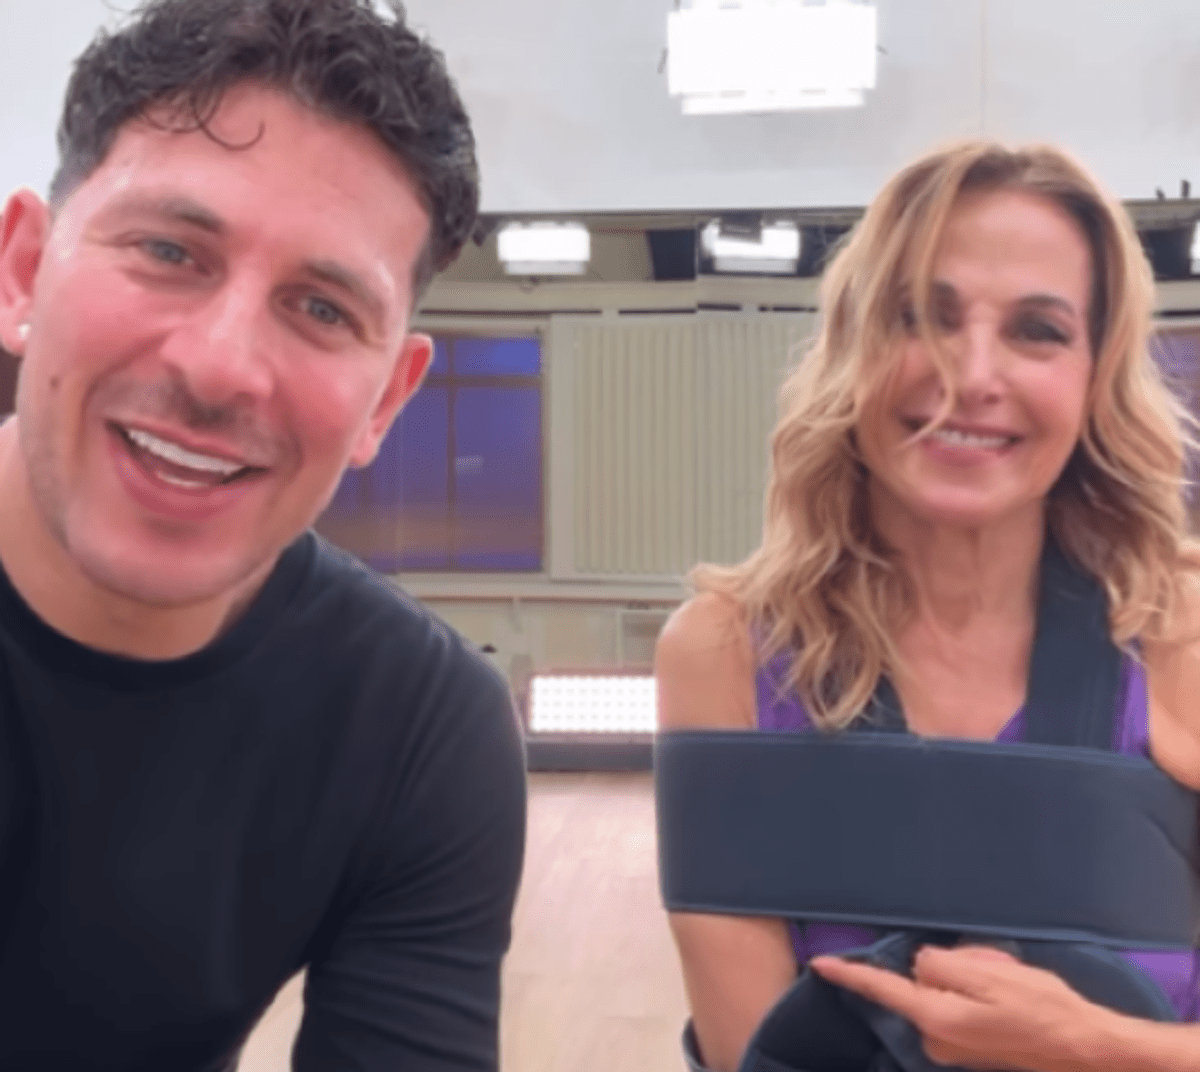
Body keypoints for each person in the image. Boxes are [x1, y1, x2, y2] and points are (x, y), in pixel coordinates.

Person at [0, 1, 526, 1069]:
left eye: (323, 309)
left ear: (388, 400)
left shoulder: (417, 728)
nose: (220, 366)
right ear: (23, 271)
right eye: (168, 250)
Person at [655, 141, 1200, 1072]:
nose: (970, 375)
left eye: (1038, 330)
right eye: (918, 316)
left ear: (1095, 375)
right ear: (852, 349)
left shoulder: (1182, 636)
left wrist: (1091, 1044)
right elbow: (755, 1052)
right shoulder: (724, 654)